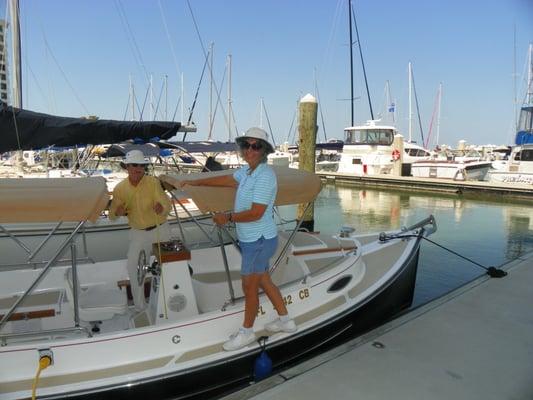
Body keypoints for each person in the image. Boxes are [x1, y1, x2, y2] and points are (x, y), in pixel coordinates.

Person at [180, 127, 296, 351]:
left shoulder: (265, 175)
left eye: (256, 146)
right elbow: (227, 179)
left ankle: (247, 333)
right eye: (247, 145)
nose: (250, 150)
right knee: (263, 280)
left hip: (258, 241)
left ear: (264, 151)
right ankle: (286, 321)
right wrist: (197, 182)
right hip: (253, 239)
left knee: (249, 287)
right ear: (242, 149)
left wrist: (228, 217)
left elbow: (256, 213)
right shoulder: (248, 171)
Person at [109, 150, 172, 312]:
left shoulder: (153, 182)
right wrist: (118, 212)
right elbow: (112, 215)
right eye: (134, 165)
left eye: (141, 165)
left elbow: (166, 205)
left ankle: (168, 302)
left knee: (169, 266)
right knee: (133, 267)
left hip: (160, 229)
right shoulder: (120, 189)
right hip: (138, 232)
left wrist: (161, 208)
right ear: (127, 167)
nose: (138, 168)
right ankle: (140, 307)